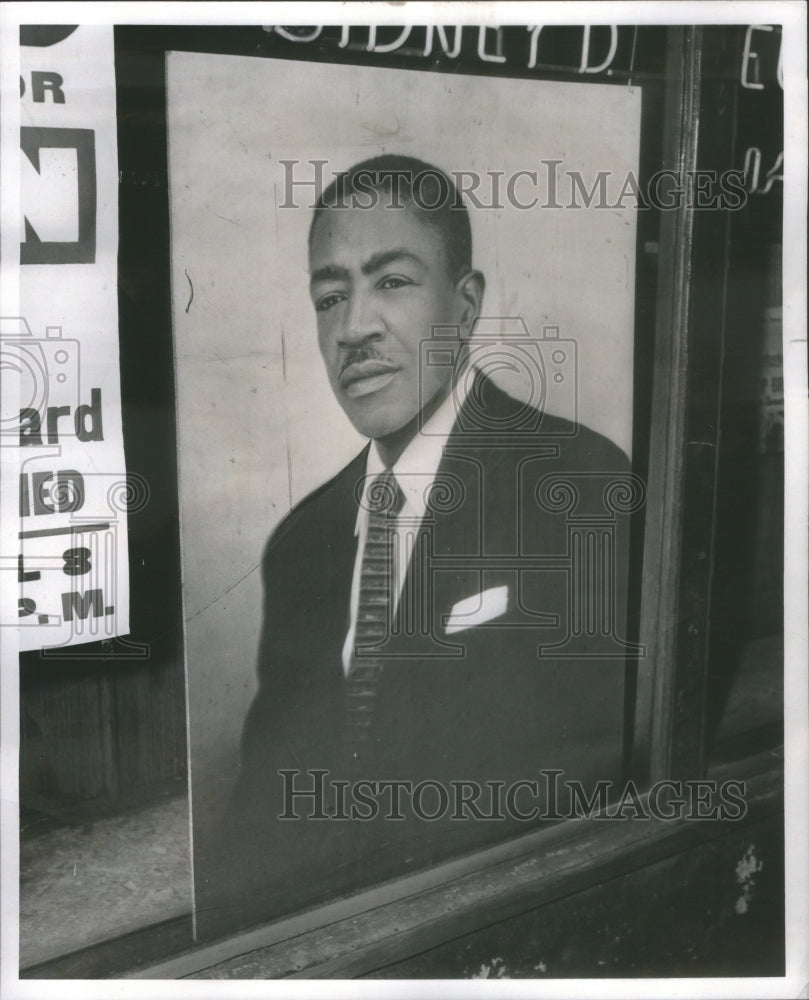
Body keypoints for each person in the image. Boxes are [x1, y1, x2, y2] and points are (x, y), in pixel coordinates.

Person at [200, 155, 636, 935]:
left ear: (465, 306)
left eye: (392, 282)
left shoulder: (578, 485)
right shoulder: (300, 543)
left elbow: (591, 792)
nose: (352, 329)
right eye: (329, 297)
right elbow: (266, 811)